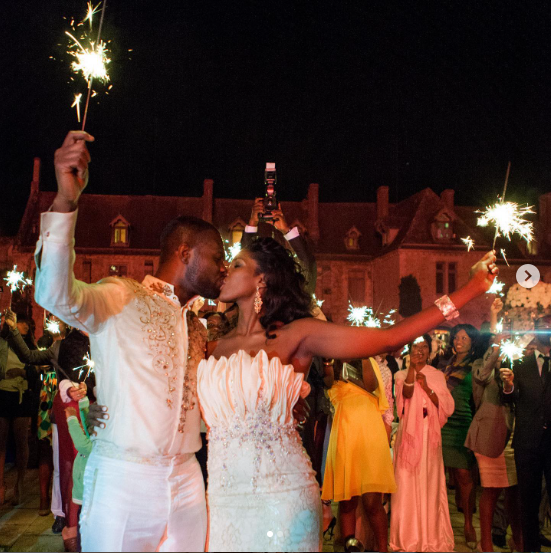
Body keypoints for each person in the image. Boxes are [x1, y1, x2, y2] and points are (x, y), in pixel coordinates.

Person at [197, 235, 498, 552]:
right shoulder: (209, 347)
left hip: (281, 495)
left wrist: (473, 288)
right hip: (221, 499)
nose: (225, 271)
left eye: (236, 264)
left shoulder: (296, 334)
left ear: (261, 278)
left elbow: (390, 339)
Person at [34, 130, 227, 552]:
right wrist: (66, 201)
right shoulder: (122, 295)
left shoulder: (198, 325)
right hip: (125, 479)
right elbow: (53, 294)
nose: (223, 268)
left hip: (189, 480)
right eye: (217, 258)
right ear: (185, 252)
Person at [464, 299, 523, 552]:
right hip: (489, 436)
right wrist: (496, 337)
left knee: (514, 496)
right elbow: (483, 375)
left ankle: (517, 540)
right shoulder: (480, 367)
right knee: (491, 492)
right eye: (494, 343)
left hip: (515, 438)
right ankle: (485, 544)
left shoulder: (515, 365)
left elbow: (518, 396)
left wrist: (510, 383)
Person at [322, 357, 395, 553]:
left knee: (372, 501)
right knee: (347, 502)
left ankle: (382, 549)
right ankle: (349, 547)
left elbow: (371, 386)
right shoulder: (333, 359)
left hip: (370, 434)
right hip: (345, 434)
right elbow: (328, 382)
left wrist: (363, 355)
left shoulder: (369, 361)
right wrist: (329, 361)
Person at [390, 335, 455, 552]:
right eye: (416, 347)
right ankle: (408, 537)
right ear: (410, 350)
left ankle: (431, 536)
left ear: (429, 351)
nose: (420, 350)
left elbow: (445, 404)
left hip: (430, 433)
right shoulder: (400, 374)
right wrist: (412, 370)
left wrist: (427, 387)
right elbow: (405, 396)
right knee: (406, 481)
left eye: (424, 347)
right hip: (409, 434)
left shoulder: (436, 375)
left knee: (430, 481)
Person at [0, 310, 62, 506]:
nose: (25, 326)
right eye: (21, 322)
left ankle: (61, 501)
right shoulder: (51, 344)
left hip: (69, 398)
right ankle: (44, 499)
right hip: (38, 396)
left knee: (63, 450)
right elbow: (30, 357)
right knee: (43, 446)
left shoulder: (73, 341)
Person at [501, 314, 551, 552]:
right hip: (528, 442)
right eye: (543, 329)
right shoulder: (521, 364)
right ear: (535, 332)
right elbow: (508, 397)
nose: (547, 332)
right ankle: (530, 548)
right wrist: (509, 386)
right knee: (528, 502)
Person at [439, 323, 480, 547]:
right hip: (441, 423)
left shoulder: (475, 366)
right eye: (456, 338)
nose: (459, 341)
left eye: (464, 338)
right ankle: (440, 522)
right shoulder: (444, 363)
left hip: (462, 422)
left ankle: (467, 523)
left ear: (472, 341)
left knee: (464, 474)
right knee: (440, 476)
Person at [242, 197, 317, 294]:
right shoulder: (256, 291)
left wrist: (286, 230)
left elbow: (306, 265)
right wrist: (252, 223)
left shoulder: (292, 296)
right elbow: (244, 263)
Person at [65, 397, 93, 552]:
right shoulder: (97, 434)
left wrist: (72, 419)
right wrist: (82, 402)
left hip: (90, 497)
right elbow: (89, 425)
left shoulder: (96, 446)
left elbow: (82, 444)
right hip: (86, 496)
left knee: (86, 528)